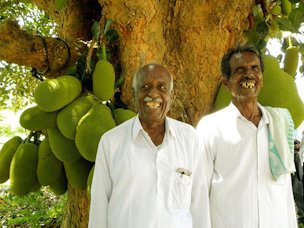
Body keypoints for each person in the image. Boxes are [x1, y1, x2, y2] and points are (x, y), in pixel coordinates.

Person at [88, 63, 211, 228]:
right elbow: (99, 209)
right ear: (134, 94)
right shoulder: (111, 142)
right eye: (144, 87)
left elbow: (199, 206)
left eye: (162, 87)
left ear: (170, 95)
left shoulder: (190, 139)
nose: (153, 93)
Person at [196, 44, 298, 228]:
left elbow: (285, 191)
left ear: (262, 79)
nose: (248, 74)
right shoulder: (210, 127)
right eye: (239, 70)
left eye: (255, 68)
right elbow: (198, 192)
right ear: (226, 82)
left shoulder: (279, 124)